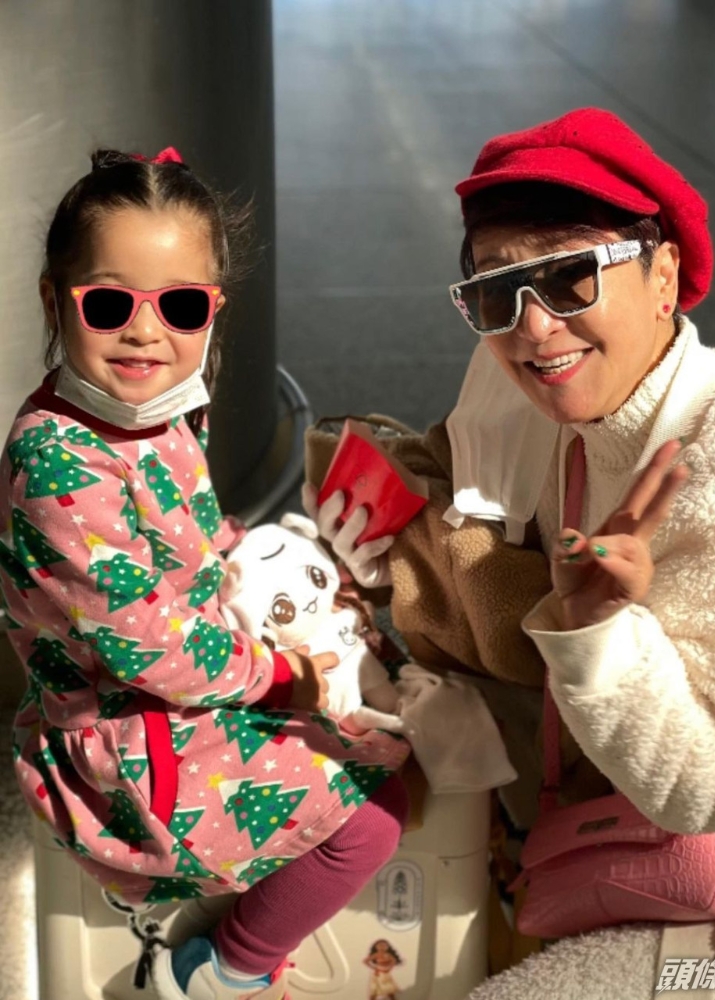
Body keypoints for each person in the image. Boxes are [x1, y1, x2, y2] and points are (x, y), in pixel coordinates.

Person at [303, 108, 715, 997]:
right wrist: (376, 510)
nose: (534, 327)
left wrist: (597, 633)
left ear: (662, 276)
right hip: (584, 833)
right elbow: (453, 478)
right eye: (499, 291)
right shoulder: (523, 384)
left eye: (572, 275)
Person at [1, 147, 409, 1000]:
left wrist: (287, 574)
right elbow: (151, 649)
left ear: (213, 313)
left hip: (186, 689)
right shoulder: (57, 461)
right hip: (127, 744)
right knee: (372, 823)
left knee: (388, 708)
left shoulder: (160, 412)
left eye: (180, 306)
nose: (145, 332)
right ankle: (225, 969)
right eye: (109, 303)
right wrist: (284, 677)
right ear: (54, 301)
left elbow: (198, 536)